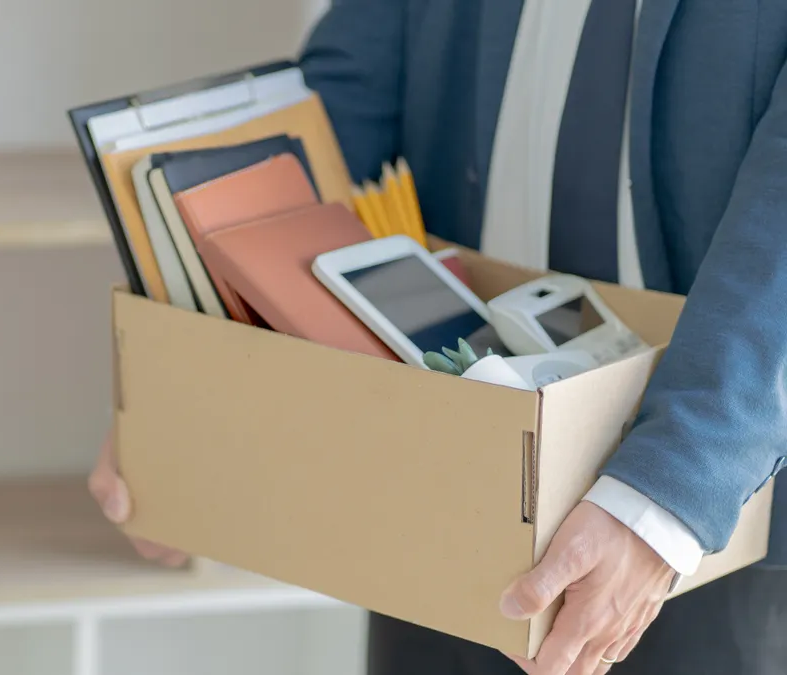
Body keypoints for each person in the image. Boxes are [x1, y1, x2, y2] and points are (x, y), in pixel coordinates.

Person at [91, 1, 787, 673]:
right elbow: (340, 109)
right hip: (437, 468)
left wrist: (667, 495)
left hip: (705, 511)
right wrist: (192, 378)